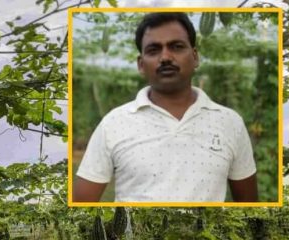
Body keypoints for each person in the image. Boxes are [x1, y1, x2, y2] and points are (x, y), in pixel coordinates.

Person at [73, 12, 258, 203]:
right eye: (154, 50)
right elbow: (81, 205)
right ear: (141, 64)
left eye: (177, 47)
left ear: (195, 57)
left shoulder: (230, 122)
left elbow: (249, 205)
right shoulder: (113, 123)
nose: (166, 57)